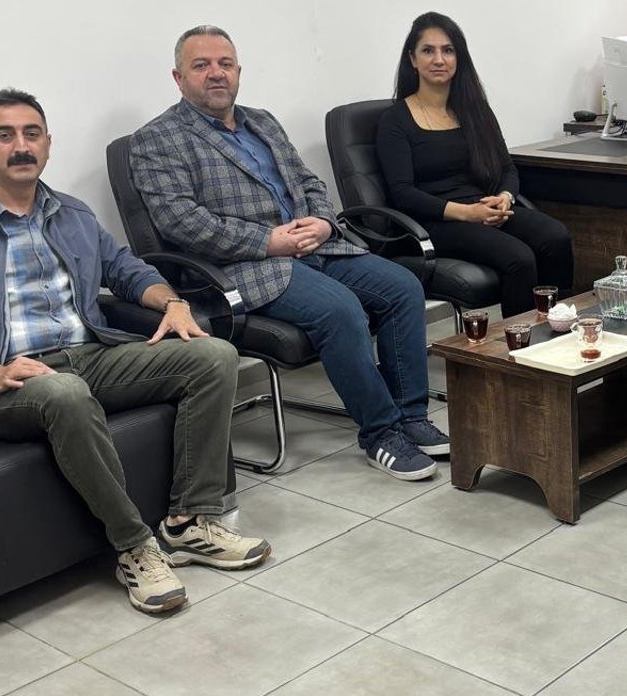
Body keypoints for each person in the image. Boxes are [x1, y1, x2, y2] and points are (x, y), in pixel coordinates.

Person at [0, 89, 270, 614]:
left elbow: (127, 270)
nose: (21, 146)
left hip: (87, 355)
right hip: (2, 381)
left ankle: (190, 522)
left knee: (212, 357)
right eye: (5, 136)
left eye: (31, 134)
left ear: (48, 144)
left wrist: (172, 303)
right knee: (65, 392)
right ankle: (134, 547)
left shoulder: (72, 213)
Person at [130, 25, 450, 482]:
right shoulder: (157, 139)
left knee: (403, 287)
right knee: (341, 310)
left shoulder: (262, 121)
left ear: (238, 71)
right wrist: (268, 241)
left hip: (316, 245)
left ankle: (411, 415)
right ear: (178, 78)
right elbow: (181, 222)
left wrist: (323, 221)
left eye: (225, 64)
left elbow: (309, 181)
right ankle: (381, 432)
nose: (216, 73)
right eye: (201, 65)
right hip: (246, 267)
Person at [376, 12, 574, 317]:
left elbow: (506, 168)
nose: (439, 59)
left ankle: (558, 327)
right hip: (434, 221)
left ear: (459, 58)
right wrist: (467, 213)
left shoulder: (475, 110)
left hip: (483, 209)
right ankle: (519, 342)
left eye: (448, 50)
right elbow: (403, 194)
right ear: (412, 59)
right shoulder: (395, 120)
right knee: (519, 258)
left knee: (555, 237)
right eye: (428, 50)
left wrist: (504, 198)